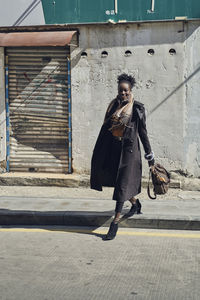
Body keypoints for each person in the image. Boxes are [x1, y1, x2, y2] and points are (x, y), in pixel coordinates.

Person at [90, 73, 154, 240]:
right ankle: (135, 203)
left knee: (122, 185)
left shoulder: (137, 109)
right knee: (119, 184)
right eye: (121, 90)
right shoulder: (113, 106)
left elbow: (143, 133)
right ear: (118, 91)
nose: (123, 93)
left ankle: (115, 223)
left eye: (126, 91)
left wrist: (150, 157)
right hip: (114, 152)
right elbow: (106, 129)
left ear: (131, 91)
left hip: (129, 154)